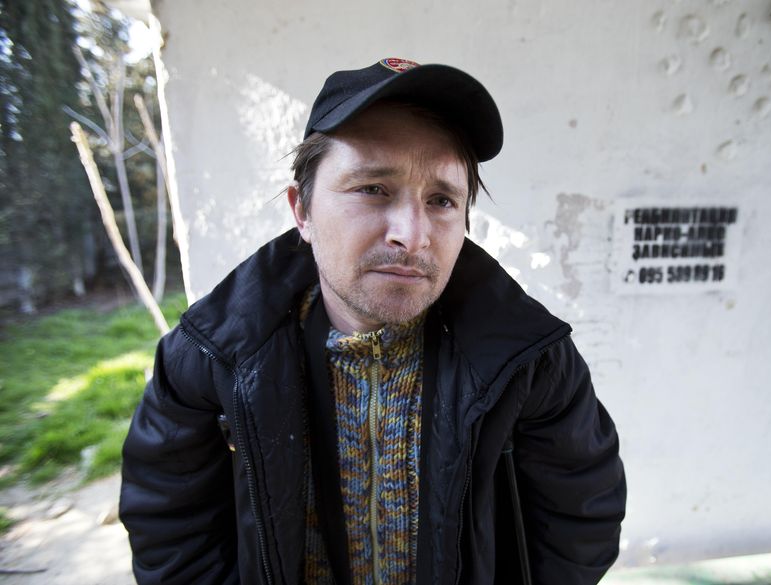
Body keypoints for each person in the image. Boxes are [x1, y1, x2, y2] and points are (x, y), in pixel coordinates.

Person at [120, 57, 626, 585]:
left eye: (441, 200)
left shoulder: (531, 362)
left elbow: (579, 527)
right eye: (372, 189)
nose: (412, 234)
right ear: (302, 211)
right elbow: (173, 538)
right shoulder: (209, 360)